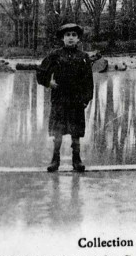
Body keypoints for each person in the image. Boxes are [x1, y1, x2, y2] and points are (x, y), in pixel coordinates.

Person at [36, 23, 94, 172]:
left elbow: (88, 81)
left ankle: (77, 160)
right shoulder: (55, 56)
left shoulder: (83, 57)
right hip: (60, 99)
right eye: (67, 35)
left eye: (74, 35)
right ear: (62, 38)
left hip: (76, 100)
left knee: (76, 132)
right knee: (58, 132)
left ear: (78, 39)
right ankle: (55, 160)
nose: (70, 38)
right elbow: (41, 72)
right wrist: (49, 83)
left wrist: (85, 99)